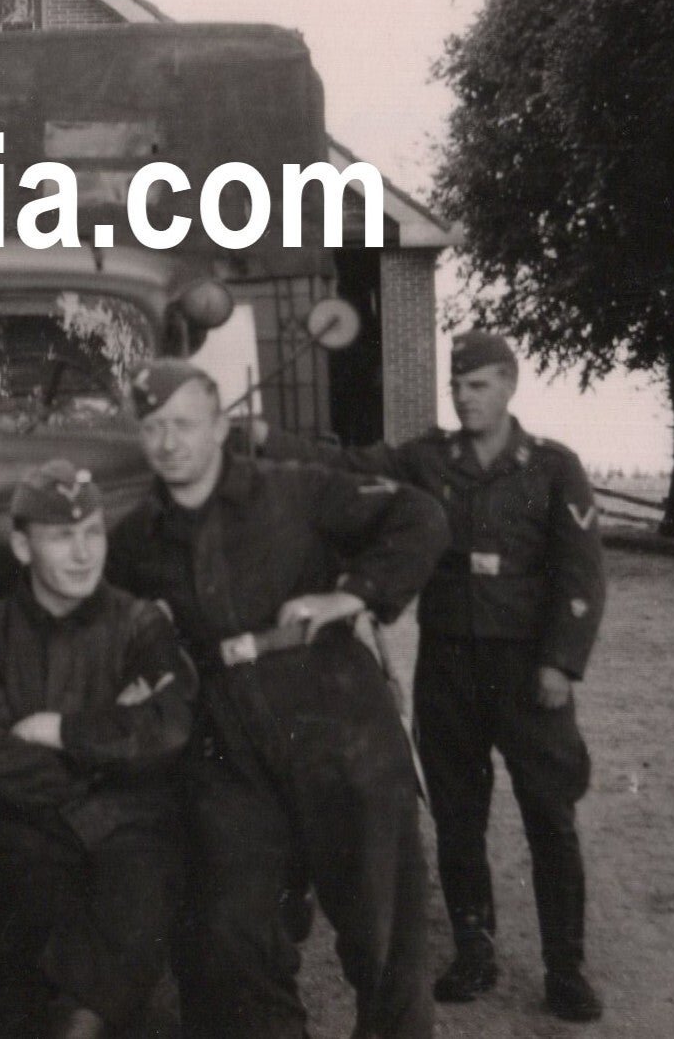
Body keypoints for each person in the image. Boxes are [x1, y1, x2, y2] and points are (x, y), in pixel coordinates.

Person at [107, 360, 449, 1039]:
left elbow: (419, 515)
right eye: (152, 426)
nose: (168, 441)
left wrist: (352, 593)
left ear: (218, 427)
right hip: (228, 749)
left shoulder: (294, 490)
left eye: (182, 424)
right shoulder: (136, 536)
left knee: (382, 932)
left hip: (335, 723)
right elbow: (111, 622)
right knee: (232, 931)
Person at [312, 330, 606, 1022]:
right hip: (448, 663)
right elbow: (354, 464)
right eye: (456, 385)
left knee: (548, 815)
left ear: (507, 385)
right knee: (456, 815)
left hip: (527, 670)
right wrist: (263, 441)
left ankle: (564, 967)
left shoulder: (551, 468)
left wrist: (560, 662)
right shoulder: (427, 459)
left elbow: (579, 571)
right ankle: (474, 950)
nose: (463, 397)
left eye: (476, 385)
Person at [0, 458, 197, 1039]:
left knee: (141, 895)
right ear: (20, 546)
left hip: (131, 831)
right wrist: (112, 747)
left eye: (93, 534)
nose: (84, 553)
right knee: (43, 919)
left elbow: (169, 733)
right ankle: (87, 1019)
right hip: (29, 832)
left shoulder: (141, 627)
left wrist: (60, 733)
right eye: (63, 537)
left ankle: (80, 1025)